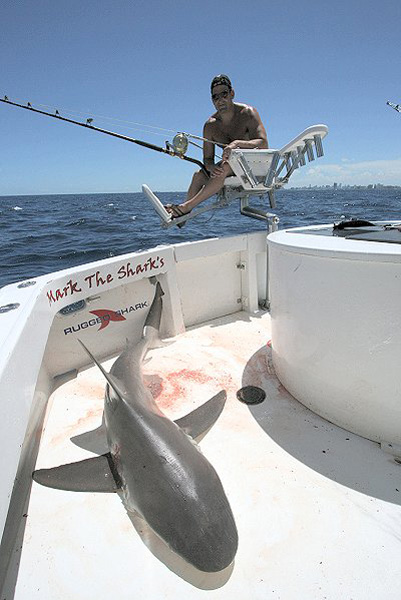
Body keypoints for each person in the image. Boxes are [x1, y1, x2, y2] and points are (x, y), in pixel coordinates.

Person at [166, 74, 268, 224]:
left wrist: (237, 144)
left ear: (232, 93)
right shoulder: (210, 126)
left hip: (253, 167)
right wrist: (211, 167)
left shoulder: (248, 113)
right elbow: (207, 159)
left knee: (225, 166)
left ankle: (186, 207)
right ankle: (180, 218)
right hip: (229, 169)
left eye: (224, 94)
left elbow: (263, 143)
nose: (220, 100)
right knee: (198, 175)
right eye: (215, 97)